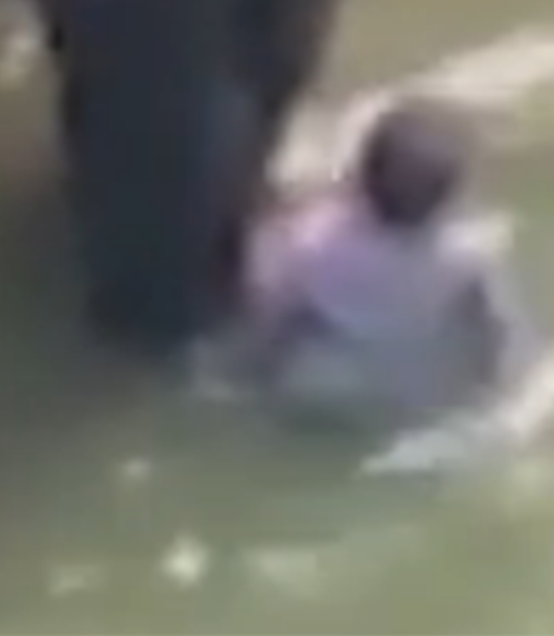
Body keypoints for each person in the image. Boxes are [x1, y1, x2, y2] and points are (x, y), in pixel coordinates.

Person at [206, 97, 535, 433]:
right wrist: (503, 392)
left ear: (360, 179)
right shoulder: (468, 254)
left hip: (326, 389)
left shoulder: (312, 241)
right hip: (414, 395)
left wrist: (244, 377)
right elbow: (501, 332)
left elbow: (274, 320)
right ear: (451, 197)